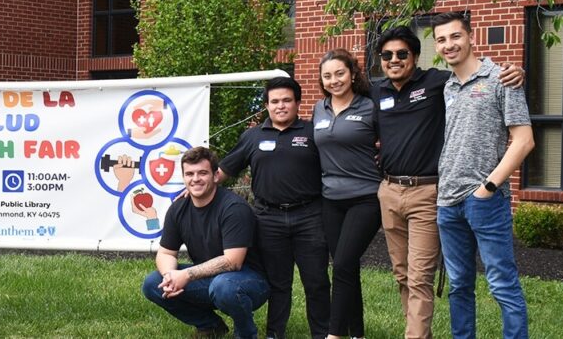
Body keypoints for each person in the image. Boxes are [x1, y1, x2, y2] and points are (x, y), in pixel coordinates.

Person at [372, 25, 525, 339]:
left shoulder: (437, 82)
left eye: (402, 53)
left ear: (415, 57)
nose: (395, 59)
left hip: (437, 192)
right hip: (409, 194)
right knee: (418, 277)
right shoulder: (380, 90)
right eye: (387, 55)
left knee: (430, 278)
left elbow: (488, 81)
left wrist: (518, 70)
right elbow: (343, 88)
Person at [432, 12, 534, 339]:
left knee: (501, 282)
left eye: (455, 36)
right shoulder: (446, 87)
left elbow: (524, 140)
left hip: (484, 201)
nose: (449, 45)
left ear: (471, 37)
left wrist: (488, 187)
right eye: (442, 40)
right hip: (447, 202)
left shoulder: (501, 78)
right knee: (459, 285)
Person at [219, 77, 330, 339]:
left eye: (287, 100)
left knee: (316, 281)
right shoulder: (253, 136)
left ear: (298, 103)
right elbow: (225, 170)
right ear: (267, 105)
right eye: (275, 101)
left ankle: (323, 333)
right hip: (267, 218)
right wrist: (193, 188)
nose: (281, 106)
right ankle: (274, 333)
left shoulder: (313, 131)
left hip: (310, 217)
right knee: (279, 283)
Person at [141, 146, 268, 338]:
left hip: (249, 281)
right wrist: (170, 276)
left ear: (216, 176)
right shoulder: (178, 209)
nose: (195, 179)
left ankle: (246, 333)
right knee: (153, 283)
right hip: (209, 278)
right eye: (189, 174)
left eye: (202, 173)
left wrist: (187, 275)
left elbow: (233, 262)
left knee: (223, 286)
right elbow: (166, 253)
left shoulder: (234, 208)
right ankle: (210, 326)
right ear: (183, 177)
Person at [312, 49, 382, 339]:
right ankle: (357, 333)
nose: (334, 80)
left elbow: (394, 138)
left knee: (341, 264)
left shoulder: (370, 106)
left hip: (366, 197)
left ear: (353, 73)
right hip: (331, 200)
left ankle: (335, 334)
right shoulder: (319, 108)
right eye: (327, 75)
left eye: (339, 73)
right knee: (346, 267)